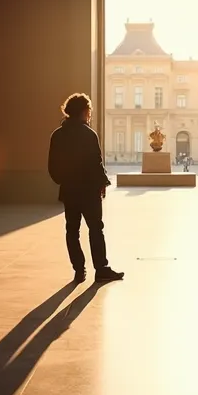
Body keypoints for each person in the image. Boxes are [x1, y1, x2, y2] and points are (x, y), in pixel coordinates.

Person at [48, 93, 124, 283]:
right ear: (84, 112)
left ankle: (79, 270)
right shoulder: (89, 134)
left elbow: (53, 166)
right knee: (95, 228)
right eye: (89, 110)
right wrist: (102, 183)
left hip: (69, 190)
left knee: (72, 230)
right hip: (89, 191)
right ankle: (101, 268)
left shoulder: (57, 135)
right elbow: (95, 163)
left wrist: (64, 181)